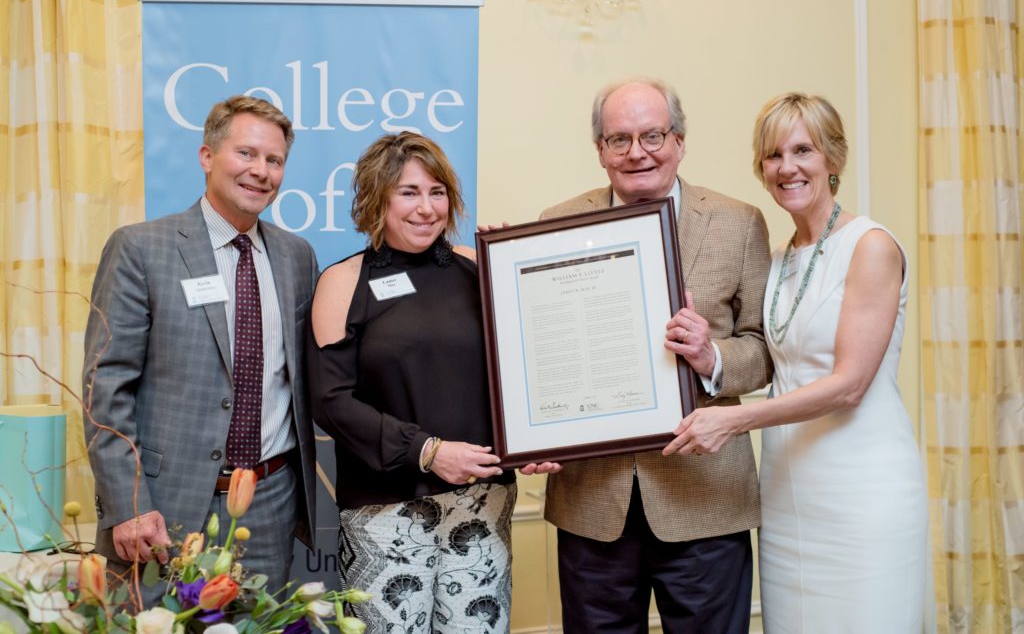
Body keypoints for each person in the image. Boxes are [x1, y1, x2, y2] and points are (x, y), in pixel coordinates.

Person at [663, 92, 928, 630]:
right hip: (786, 490)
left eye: (803, 150)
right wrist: (702, 344)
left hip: (861, 487)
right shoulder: (779, 258)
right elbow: (760, 350)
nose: (787, 168)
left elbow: (850, 385)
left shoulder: (871, 246)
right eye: (773, 155)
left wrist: (734, 419)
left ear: (833, 156)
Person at [539, 78, 773, 633]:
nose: (637, 152)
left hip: (706, 497)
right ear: (599, 150)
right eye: (618, 139)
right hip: (593, 504)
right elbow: (543, 349)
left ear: (680, 140)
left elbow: (764, 348)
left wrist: (709, 355)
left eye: (653, 135)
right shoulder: (555, 224)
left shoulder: (739, 222)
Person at [308, 131, 551, 633]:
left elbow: (524, 368)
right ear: (378, 197)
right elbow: (329, 402)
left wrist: (536, 439)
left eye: (436, 192)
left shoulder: (476, 266)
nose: (426, 208)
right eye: (409, 192)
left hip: (481, 505)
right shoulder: (343, 280)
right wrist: (429, 451)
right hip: (385, 513)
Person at [83, 95, 319, 604]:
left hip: (268, 502)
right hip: (163, 508)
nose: (261, 171)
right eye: (246, 154)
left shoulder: (297, 256)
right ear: (207, 156)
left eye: (274, 160)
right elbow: (106, 389)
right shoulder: (141, 249)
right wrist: (129, 503)